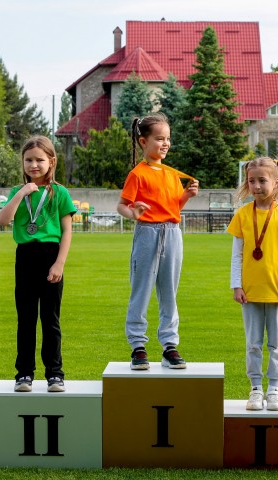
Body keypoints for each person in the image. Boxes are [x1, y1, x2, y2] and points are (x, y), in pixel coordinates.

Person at [116, 113, 199, 370]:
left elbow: (173, 207)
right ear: (143, 141)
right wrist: (133, 213)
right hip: (147, 233)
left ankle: (169, 346)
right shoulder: (138, 174)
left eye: (168, 139)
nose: (165, 144)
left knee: (169, 292)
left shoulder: (171, 174)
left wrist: (185, 196)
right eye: (159, 138)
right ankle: (138, 346)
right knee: (141, 290)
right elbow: (122, 205)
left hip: (172, 232)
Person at [0, 136, 76, 393]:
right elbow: (3, 221)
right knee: (26, 319)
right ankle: (24, 374)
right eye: (28, 160)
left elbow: (66, 231)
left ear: (51, 162)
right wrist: (21, 192)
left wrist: (59, 264)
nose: (34, 165)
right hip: (26, 258)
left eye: (39, 160)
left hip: (51, 257)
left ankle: (55, 373)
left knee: (50, 319)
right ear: (22, 163)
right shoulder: (17, 193)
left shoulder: (60, 193)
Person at [226, 157, 278, 411]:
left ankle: (274, 389)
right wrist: (236, 284)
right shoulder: (242, 214)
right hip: (250, 291)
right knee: (253, 343)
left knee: (276, 343)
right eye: (251, 181)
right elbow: (237, 254)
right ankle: (255, 388)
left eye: (262, 180)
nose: (256, 186)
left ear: (277, 181)